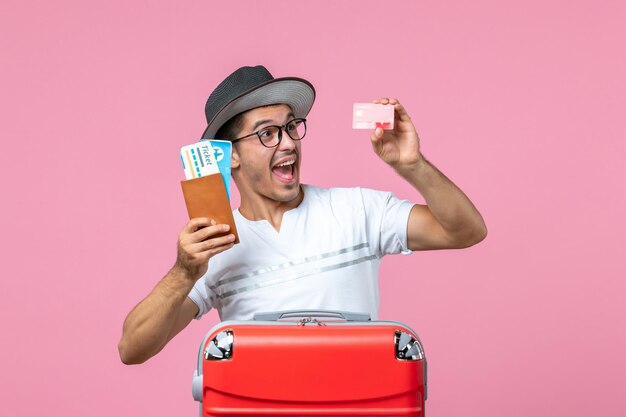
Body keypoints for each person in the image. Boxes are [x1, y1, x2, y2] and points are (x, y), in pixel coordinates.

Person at [118, 65, 487, 365]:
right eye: (268, 134)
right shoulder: (217, 247)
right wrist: (184, 272)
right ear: (229, 155)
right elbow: (132, 349)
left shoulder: (358, 210)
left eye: (292, 127)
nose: (289, 142)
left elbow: (465, 231)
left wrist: (413, 166)